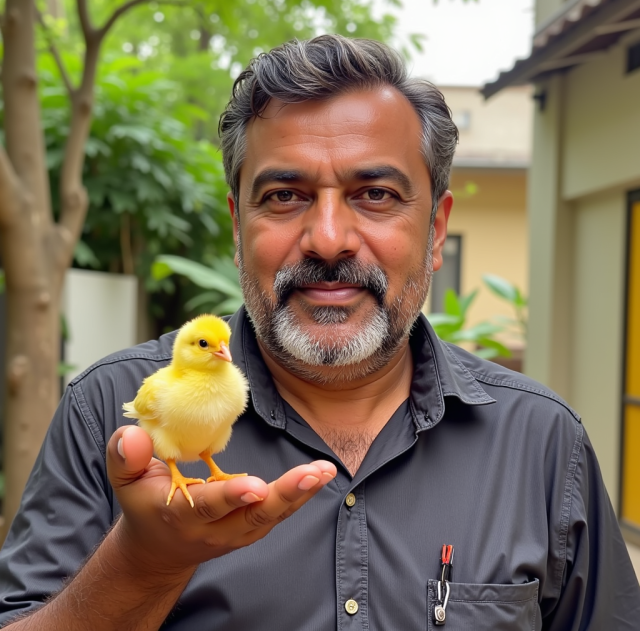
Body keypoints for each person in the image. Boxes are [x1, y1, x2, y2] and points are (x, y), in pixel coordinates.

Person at [0, 35, 638, 631]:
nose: (328, 239)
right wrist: (142, 565)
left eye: (377, 194)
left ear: (437, 231)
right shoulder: (112, 419)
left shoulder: (541, 442)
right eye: (283, 196)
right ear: (236, 225)